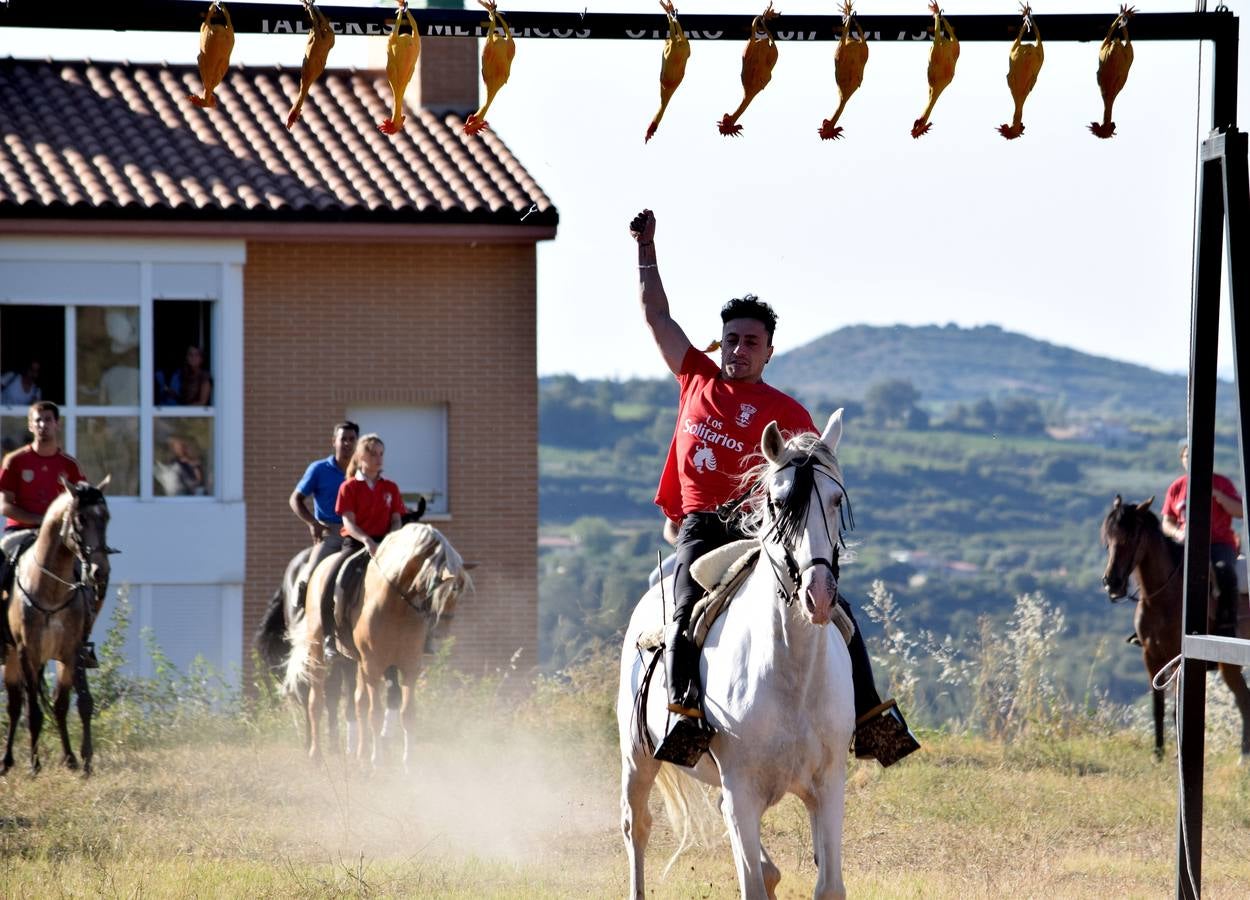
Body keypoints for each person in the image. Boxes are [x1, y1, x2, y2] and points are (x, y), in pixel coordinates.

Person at [630, 207, 918, 767]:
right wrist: (646, 250)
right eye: (731, 339)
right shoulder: (696, 376)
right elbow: (655, 314)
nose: (739, 350)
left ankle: (869, 717)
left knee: (839, 611)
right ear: (719, 344)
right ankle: (686, 714)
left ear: (769, 350)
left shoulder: (790, 413)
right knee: (684, 609)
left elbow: (812, 485)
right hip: (702, 525)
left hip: (763, 528)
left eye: (751, 342)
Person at [0, 401, 95, 665]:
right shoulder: (15, 461)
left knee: (87, 579)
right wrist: (42, 522)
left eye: (48, 420)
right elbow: (4, 505)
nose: (43, 425)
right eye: (37, 420)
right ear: (30, 425)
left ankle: (82, 642)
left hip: (60, 539)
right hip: (20, 533)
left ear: (57, 424)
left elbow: (82, 504)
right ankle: (1, 637)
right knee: (1, 571)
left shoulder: (70, 465)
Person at [320, 433, 406, 660]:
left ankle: (422, 637)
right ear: (360, 457)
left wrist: (391, 539)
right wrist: (367, 540)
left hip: (385, 545)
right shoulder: (348, 487)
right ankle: (329, 636)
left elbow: (396, 519)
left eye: (381, 454)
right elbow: (348, 521)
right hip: (356, 543)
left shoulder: (391, 487)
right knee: (332, 578)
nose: (378, 459)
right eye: (372, 454)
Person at [1161, 440, 1244, 636]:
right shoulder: (1176, 487)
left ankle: (1226, 624)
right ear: (1182, 460)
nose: (1192, 460)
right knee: (1161, 574)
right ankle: (1154, 624)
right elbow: (1167, 522)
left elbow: (1240, 511)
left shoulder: (1222, 483)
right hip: (1185, 543)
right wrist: (1177, 533)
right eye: (1188, 456)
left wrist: (1218, 496)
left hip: (1219, 542)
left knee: (1224, 571)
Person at [288, 421, 359, 622]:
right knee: (311, 573)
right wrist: (313, 523)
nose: (347, 443)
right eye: (343, 439)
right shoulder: (319, 469)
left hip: (358, 534)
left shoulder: (361, 471)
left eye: (351, 439)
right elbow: (295, 499)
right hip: (331, 534)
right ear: (333, 441)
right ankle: (299, 618)